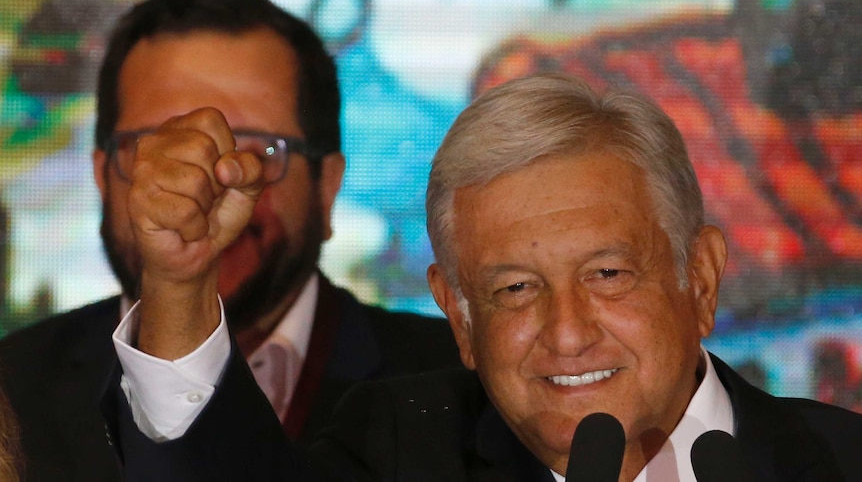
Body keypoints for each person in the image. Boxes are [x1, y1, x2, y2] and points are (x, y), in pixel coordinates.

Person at [107, 73, 862, 481]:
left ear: (699, 279)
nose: (567, 332)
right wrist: (178, 282)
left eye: (607, 272)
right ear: (460, 318)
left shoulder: (839, 460)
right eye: (514, 289)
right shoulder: (404, 450)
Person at [0, 0, 459, 481]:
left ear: (327, 186)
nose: (207, 188)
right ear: (101, 177)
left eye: (260, 151)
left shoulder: (461, 384)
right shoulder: (10, 387)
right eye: (161, 152)